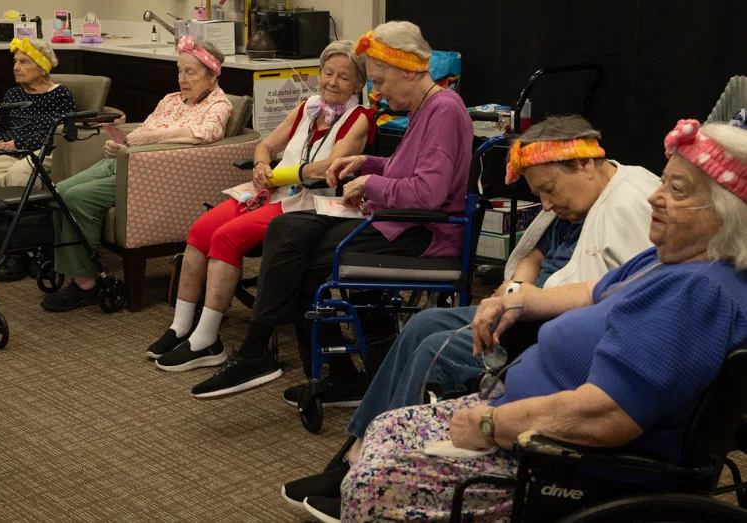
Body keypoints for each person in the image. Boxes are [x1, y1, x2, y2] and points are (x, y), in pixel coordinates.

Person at [331, 119, 747, 522]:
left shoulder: (697, 292)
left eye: (676, 190)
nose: (656, 197)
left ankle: (348, 479)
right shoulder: (671, 259)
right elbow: (593, 289)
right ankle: (347, 461)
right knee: (386, 427)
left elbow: (606, 416)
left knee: (371, 480)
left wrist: (491, 423)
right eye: (664, 182)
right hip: (525, 420)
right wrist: (521, 299)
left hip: (555, 459)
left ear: (728, 210)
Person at [280, 114, 661, 507]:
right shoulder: (579, 199)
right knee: (421, 325)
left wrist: (521, 300)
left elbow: (618, 297)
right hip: (523, 305)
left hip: (546, 327)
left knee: (436, 348)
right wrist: (514, 288)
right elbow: (535, 251)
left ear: (584, 163)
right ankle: (358, 454)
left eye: (549, 189)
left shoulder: (631, 206)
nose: (546, 203)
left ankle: (365, 474)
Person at [185, 21, 474, 401]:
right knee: (287, 229)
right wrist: (366, 163)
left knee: (305, 262)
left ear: (410, 69)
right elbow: (411, 173)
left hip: (423, 234)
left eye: (381, 82)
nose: (378, 93)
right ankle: (265, 354)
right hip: (400, 223)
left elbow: (429, 193)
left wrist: (369, 185)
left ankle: (302, 366)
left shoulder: (443, 110)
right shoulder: (427, 106)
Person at [147, 40, 372, 371]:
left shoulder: (360, 118)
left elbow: (329, 169)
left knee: (225, 237)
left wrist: (278, 174)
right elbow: (266, 144)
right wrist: (261, 165)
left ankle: (207, 341)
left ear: (358, 84)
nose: (332, 83)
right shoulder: (308, 106)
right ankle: (181, 326)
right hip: (273, 192)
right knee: (200, 230)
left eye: (343, 77)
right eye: (327, 73)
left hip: (309, 204)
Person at [41, 37, 233, 312]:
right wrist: (122, 144)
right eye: (179, 71)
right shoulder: (171, 100)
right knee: (59, 191)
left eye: (190, 72)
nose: (182, 79)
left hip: (153, 175)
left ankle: (86, 284)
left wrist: (152, 139)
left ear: (212, 74)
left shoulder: (218, 105)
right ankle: (74, 268)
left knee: (76, 197)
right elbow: (143, 131)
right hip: (128, 161)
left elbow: (207, 133)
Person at [0, 37, 77, 281]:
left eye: (23, 62)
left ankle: (23, 246)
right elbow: (1, 127)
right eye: (15, 62)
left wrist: (20, 143)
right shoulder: (12, 93)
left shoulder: (60, 94)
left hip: (44, 150)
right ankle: (12, 243)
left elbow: (59, 130)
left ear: (41, 67)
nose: (16, 67)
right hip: (7, 150)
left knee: (19, 174)